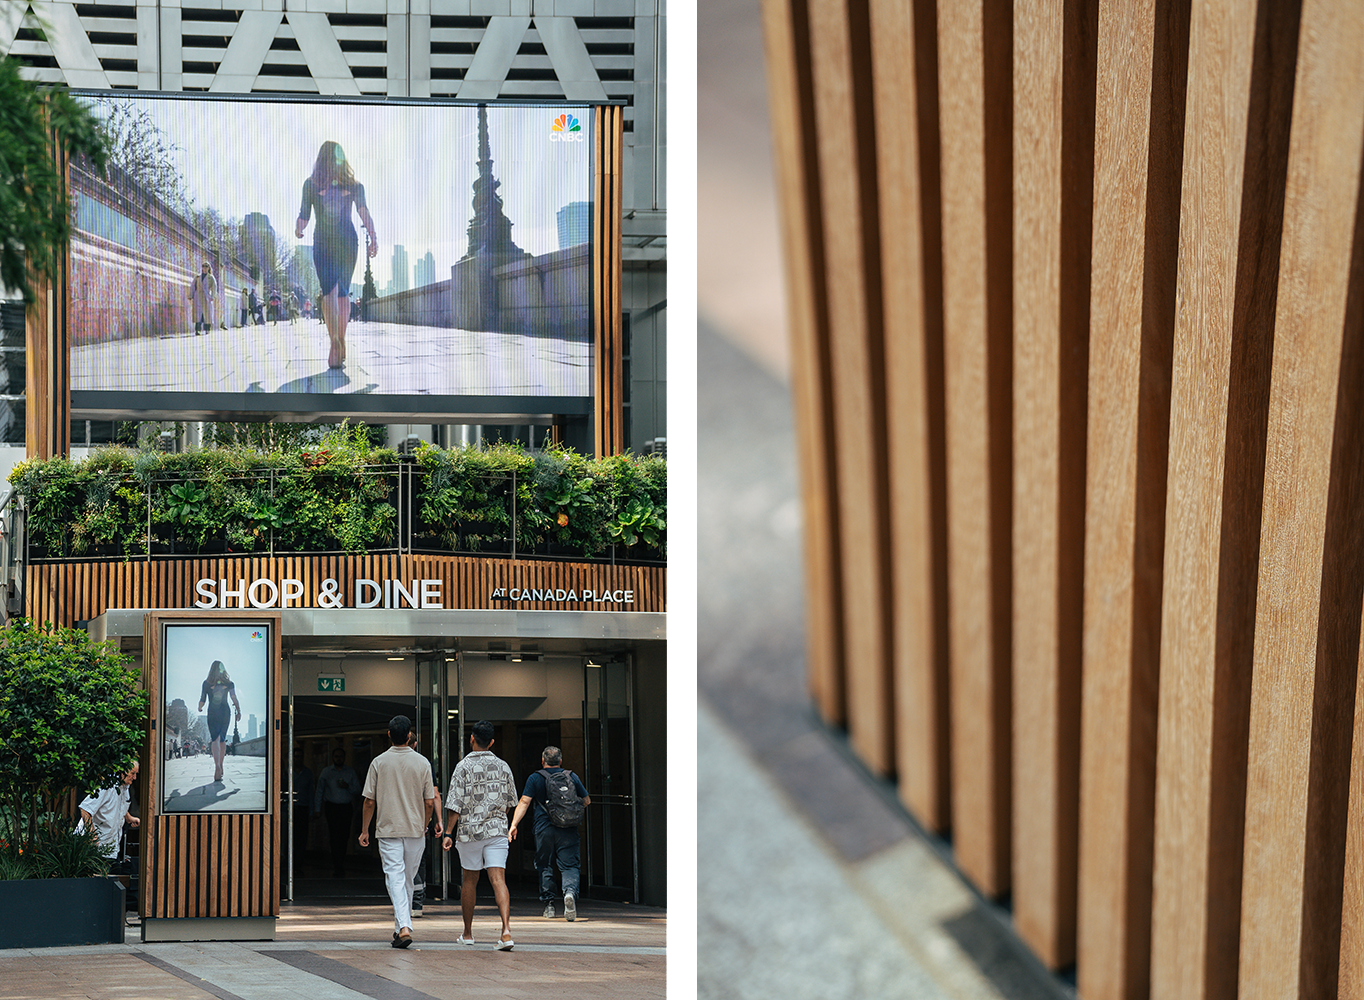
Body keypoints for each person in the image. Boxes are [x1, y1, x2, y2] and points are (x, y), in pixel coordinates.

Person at [295, 140, 378, 369]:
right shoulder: (354, 185)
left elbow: (304, 216)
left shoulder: (310, 185)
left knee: (328, 293)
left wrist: (298, 229)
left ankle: (333, 341)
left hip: (323, 241)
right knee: (343, 294)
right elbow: (363, 212)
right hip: (348, 242)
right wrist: (373, 236)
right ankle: (341, 338)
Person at [358, 715, 435, 948]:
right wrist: (424, 824)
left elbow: (369, 801)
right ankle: (400, 927)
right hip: (415, 830)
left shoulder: (378, 762)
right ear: (410, 736)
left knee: (396, 878)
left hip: (389, 828)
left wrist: (364, 830)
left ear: (389, 734)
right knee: (407, 880)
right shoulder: (423, 763)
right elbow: (429, 802)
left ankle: (403, 927)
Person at [442, 721, 518, 949]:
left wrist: (448, 832)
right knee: (498, 880)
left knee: (469, 879)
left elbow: (455, 805)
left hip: (469, 832)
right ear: (492, 742)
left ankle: (467, 934)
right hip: (496, 831)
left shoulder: (462, 766)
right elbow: (509, 802)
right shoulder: (503, 766)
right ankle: (505, 932)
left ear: (471, 739)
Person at [510, 745, 590, 921]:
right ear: (561, 761)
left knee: (545, 864)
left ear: (543, 761)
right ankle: (569, 894)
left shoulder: (535, 778)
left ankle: (549, 905)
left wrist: (514, 824)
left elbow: (524, 802)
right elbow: (586, 800)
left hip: (544, 828)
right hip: (568, 829)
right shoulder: (572, 776)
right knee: (569, 866)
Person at [78, 761, 140, 862]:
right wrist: (92, 835)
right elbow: (85, 809)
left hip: (111, 848)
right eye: (132, 773)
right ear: (122, 771)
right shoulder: (106, 786)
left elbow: (120, 806)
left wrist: (129, 818)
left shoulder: (125, 787)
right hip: (95, 849)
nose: (135, 778)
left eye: (136, 774)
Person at [314, 747, 360, 876]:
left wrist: (348, 787)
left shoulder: (350, 772)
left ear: (344, 758)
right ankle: (336, 864)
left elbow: (358, 789)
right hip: (332, 807)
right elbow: (319, 791)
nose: (338, 758)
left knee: (344, 835)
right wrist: (317, 809)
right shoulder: (326, 772)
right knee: (334, 835)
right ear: (332, 758)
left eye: (340, 756)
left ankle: (342, 861)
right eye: (336, 756)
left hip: (346, 807)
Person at [197, 660, 241, 783]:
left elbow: (202, 699)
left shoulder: (206, 683)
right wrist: (238, 710)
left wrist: (200, 707)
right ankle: (221, 765)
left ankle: (217, 765)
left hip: (212, 711)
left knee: (215, 739)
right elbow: (234, 698)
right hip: (225, 712)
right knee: (222, 739)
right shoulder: (229, 683)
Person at [289, 748, 315, 868]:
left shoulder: (308, 773)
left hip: (303, 808)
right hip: (289, 809)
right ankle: (288, 863)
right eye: (296, 756)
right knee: (289, 837)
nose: (298, 759)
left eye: (300, 756)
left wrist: (311, 812)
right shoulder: (287, 772)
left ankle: (299, 864)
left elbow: (311, 793)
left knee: (302, 837)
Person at [189, 261, 217, 335]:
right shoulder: (197, 277)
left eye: (206, 267)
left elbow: (214, 287)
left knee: (207, 313)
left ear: (208, 268)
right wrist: (191, 295)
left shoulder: (211, 277)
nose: (204, 268)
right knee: (197, 314)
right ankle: (197, 329)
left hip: (206, 296)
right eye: (203, 267)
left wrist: (212, 296)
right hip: (197, 296)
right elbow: (192, 286)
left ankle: (207, 328)